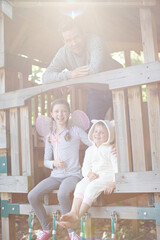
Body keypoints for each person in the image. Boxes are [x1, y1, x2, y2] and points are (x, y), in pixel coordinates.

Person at [28, 98, 91, 240]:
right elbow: (45, 161)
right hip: (55, 176)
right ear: (51, 114)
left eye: (63, 111)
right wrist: (54, 164)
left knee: (62, 194)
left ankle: (72, 233)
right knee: (32, 196)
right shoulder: (50, 136)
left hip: (73, 175)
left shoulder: (76, 130)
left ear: (69, 113)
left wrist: (108, 146)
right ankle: (46, 229)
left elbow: (92, 144)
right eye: (56, 111)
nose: (60, 114)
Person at [42, 17, 122, 121]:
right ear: (63, 41)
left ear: (83, 33)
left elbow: (95, 69)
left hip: (118, 83)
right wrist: (70, 75)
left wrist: (74, 80)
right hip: (97, 88)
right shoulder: (63, 53)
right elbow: (45, 77)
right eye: (68, 40)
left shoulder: (95, 41)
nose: (74, 43)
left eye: (76, 37)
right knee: (93, 125)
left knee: (125, 121)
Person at [58, 119, 118, 232]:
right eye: (95, 131)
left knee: (92, 187)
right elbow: (85, 167)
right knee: (81, 184)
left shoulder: (111, 149)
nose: (97, 134)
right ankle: (73, 211)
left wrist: (114, 182)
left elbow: (116, 167)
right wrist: (88, 174)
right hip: (94, 176)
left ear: (109, 135)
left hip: (107, 176)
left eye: (102, 132)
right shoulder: (89, 150)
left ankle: (78, 216)